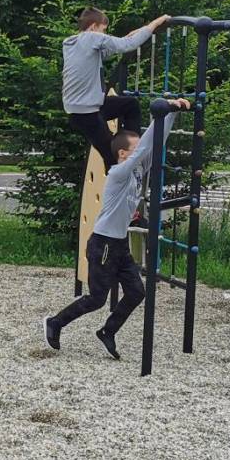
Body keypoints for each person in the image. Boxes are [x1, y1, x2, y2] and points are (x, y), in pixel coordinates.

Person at [44, 99, 193, 359]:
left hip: (119, 243)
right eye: (134, 150)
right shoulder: (118, 173)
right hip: (102, 243)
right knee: (97, 299)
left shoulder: (138, 169)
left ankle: (108, 331)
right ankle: (55, 322)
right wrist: (160, 115)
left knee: (136, 292)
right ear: (123, 154)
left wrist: (171, 114)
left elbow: (154, 145)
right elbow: (145, 146)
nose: (140, 152)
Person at [63, 7, 170, 172]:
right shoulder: (91, 37)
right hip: (86, 114)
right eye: (103, 30)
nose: (104, 34)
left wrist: (131, 35)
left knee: (130, 105)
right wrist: (155, 23)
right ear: (93, 26)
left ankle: (130, 146)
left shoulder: (73, 43)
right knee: (112, 158)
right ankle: (121, 173)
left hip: (88, 107)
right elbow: (127, 45)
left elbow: (110, 49)